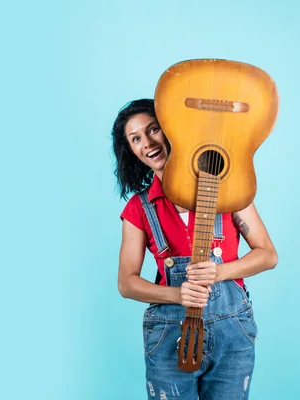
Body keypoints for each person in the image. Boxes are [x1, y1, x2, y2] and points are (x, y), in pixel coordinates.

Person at [112, 98, 278, 399]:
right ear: (132, 151)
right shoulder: (139, 208)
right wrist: (177, 294)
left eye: (153, 129)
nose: (148, 142)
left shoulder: (229, 189)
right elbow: (127, 283)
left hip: (232, 332)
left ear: (172, 130)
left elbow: (267, 254)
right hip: (169, 333)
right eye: (136, 138)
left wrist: (219, 271)